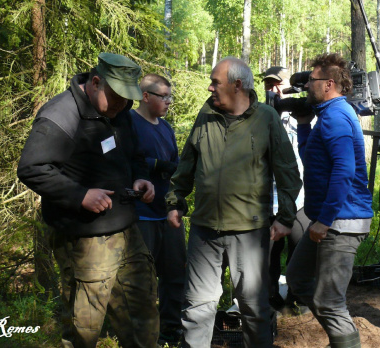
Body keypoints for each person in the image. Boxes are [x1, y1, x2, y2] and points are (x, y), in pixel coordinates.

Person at [17, 53, 159, 347]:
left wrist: (141, 177)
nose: (123, 105)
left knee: (143, 319)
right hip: (84, 242)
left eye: (127, 99)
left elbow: (134, 156)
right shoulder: (61, 114)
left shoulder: (120, 111)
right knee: (84, 331)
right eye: (117, 97)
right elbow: (32, 168)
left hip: (128, 234)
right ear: (95, 83)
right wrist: (80, 195)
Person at [166, 57, 302, 347]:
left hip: (249, 233)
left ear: (237, 85)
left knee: (254, 310)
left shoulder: (266, 118)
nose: (210, 87)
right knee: (196, 308)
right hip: (205, 231)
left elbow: (288, 172)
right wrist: (175, 199)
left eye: (216, 82)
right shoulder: (206, 114)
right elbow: (187, 162)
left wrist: (286, 217)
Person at [285, 53, 374, 348]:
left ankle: (345, 340)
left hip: (341, 221)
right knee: (298, 278)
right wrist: (302, 124)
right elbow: (313, 157)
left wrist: (324, 220)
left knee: (329, 302)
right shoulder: (327, 115)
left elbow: (344, 170)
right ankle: (341, 338)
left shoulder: (336, 115)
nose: (308, 85)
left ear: (329, 84)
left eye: (312, 80)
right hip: (329, 218)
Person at [130, 73, 185, 345]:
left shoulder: (166, 128)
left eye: (169, 97)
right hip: (141, 215)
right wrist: (151, 166)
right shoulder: (128, 123)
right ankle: (143, 334)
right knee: (142, 280)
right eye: (163, 96)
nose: (168, 102)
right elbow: (122, 163)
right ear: (145, 96)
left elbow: (175, 167)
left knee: (175, 274)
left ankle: (170, 330)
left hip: (169, 212)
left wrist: (178, 200)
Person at [262, 66, 309, 312]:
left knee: (299, 253)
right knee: (269, 257)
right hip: (269, 200)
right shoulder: (259, 117)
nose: (274, 89)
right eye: (269, 85)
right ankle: (270, 300)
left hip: (300, 199)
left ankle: (296, 297)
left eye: (278, 84)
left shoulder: (302, 115)